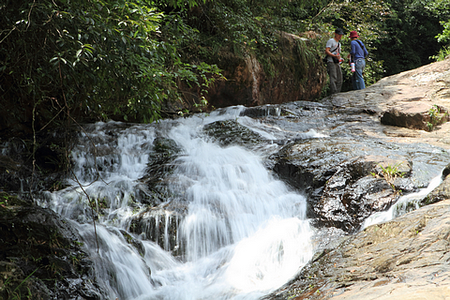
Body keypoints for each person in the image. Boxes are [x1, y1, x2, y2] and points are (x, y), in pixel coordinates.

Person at [325, 28, 344, 94]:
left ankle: (337, 92)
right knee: (333, 77)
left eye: (341, 35)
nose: (340, 36)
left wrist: (340, 58)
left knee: (340, 78)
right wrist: (334, 56)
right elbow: (327, 51)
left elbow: (338, 53)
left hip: (337, 62)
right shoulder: (331, 41)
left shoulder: (339, 44)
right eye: (339, 34)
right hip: (331, 61)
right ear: (335, 34)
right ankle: (333, 93)